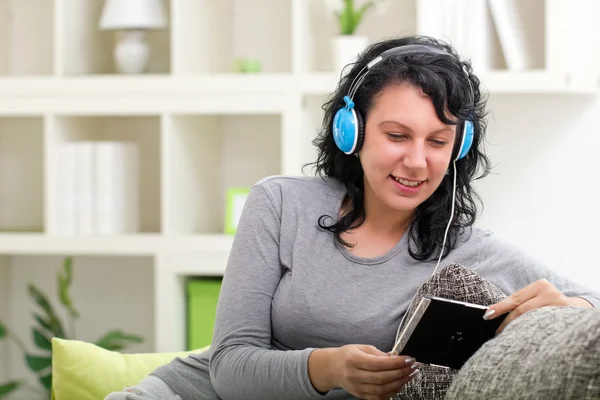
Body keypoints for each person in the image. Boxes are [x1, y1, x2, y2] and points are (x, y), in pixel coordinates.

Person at [105, 35, 599, 400]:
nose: (417, 161)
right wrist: (329, 368)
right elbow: (230, 368)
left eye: (437, 141)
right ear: (352, 131)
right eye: (397, 135)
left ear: (458, 148)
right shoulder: (280, 205)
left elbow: (593, 307)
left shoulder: (468, 248)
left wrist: (569, 306)